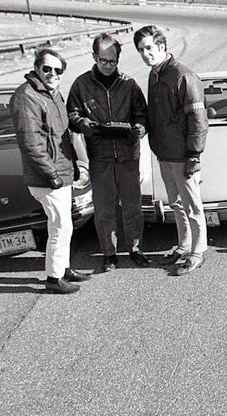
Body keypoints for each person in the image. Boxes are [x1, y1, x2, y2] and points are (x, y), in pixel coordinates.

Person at [67, 33, 151, 272]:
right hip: (100, 156)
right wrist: (88, 127)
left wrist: (138, 130)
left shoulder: (129, 85)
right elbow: (72, 116)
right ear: (94, 57)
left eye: (112, 61)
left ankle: (135, 249)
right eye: (103, 60)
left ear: (118, 60)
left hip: (127, 156)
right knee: (104, 209)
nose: (107, 65)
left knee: (133, 206)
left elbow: (143, 115)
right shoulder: (81, 85)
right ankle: (109, 253)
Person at [10, 47, 91, 294]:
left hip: (61, 170)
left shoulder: (52, 94)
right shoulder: (27, 97)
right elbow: (31, 144)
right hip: (47, 177)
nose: (53, 73)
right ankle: (54, 278)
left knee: (63, 223)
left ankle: (64, 268)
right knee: (60, 225)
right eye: (47, 69)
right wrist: (52, 175)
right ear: (36, 69)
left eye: (58, 70)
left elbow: (62, 136)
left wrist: (74, 165)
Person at [133, 25, 208, 276]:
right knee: (176, 203)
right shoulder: (155, 75)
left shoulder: (183, 76)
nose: (145, 54)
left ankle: (198, 251)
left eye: (149, 48)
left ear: (162, 46)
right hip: (164, 153)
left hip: (183, 155)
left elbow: (198, 120)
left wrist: (194, 155)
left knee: (193, 206)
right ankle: (184, 245)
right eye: (141, 50)